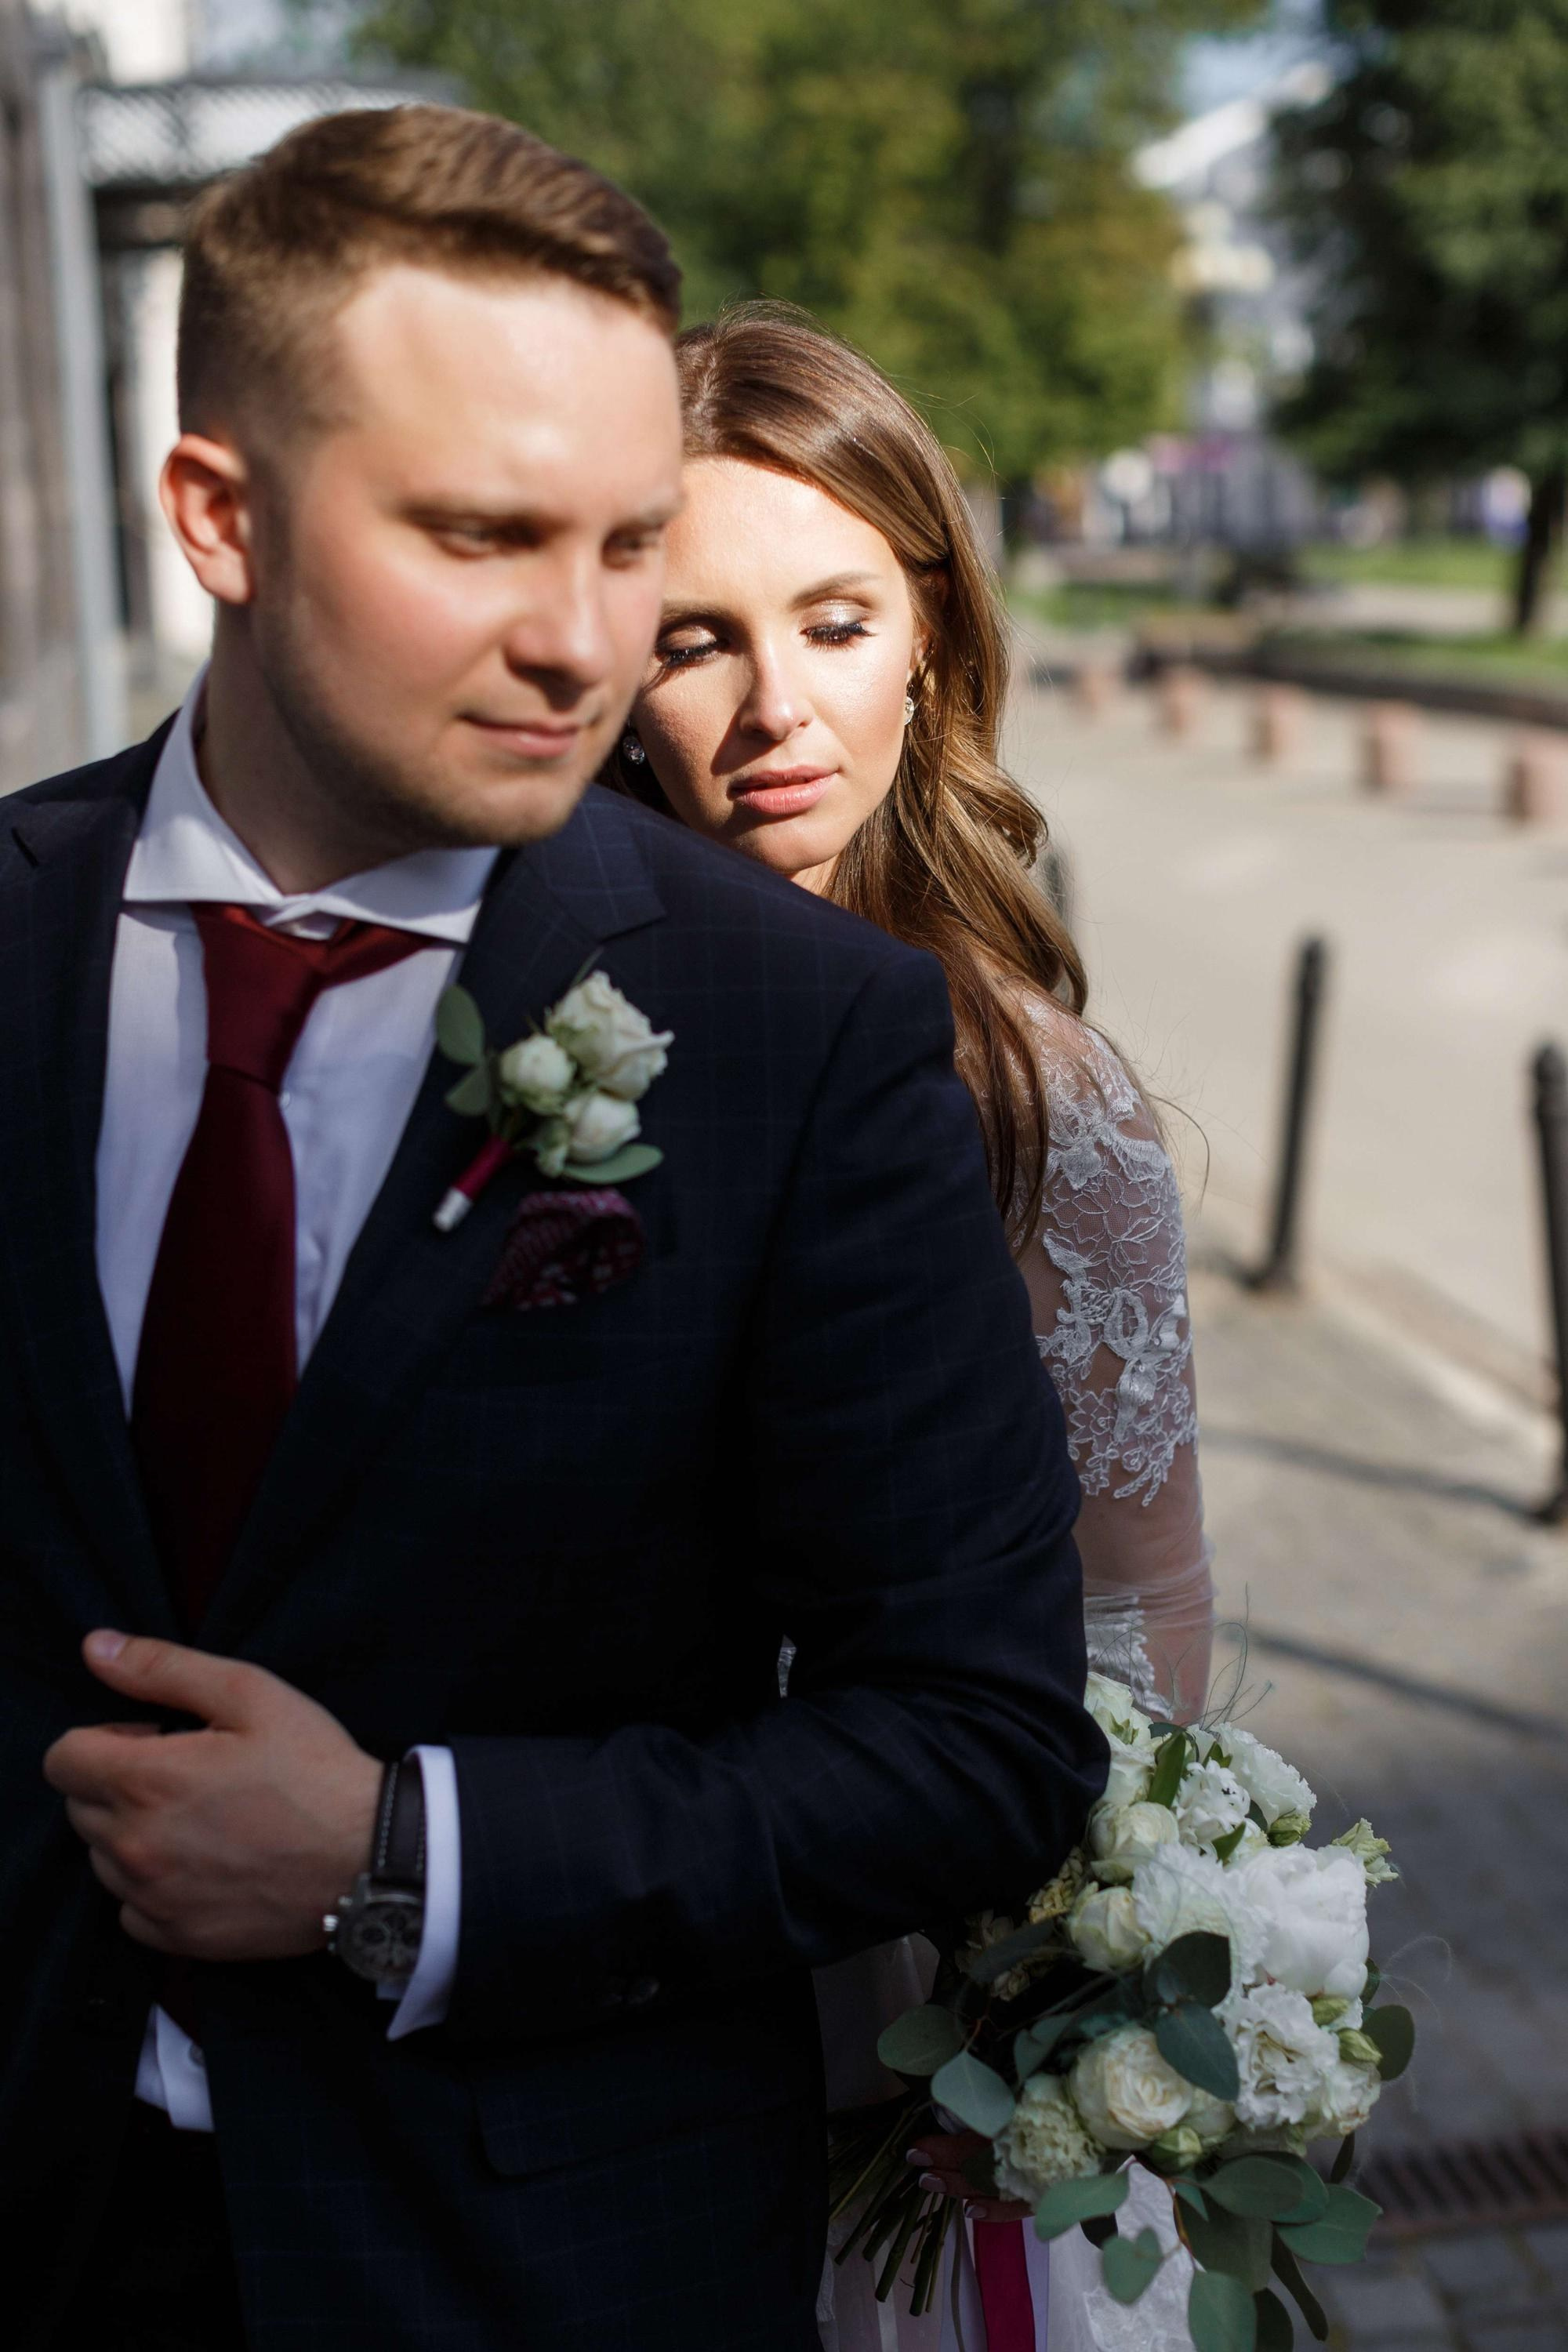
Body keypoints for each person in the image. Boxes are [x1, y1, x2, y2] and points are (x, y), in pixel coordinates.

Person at [0, 107, 1107, 2352]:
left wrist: (407, 1861)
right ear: (217, 512)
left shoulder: (802, 1030)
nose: (586, 645)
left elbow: (979, 1740)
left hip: (540, 2265)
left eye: (624, 545)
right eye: (487, 538)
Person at [612, 302, 1217, 2352]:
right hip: (583, 1958)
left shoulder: (1044, 1105)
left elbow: (1141, 1618)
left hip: (916, 1998)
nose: (777, 702)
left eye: (838, 619)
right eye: (698, 635)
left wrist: (1049, 2007)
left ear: (937, 641)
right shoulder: (534, 1047)